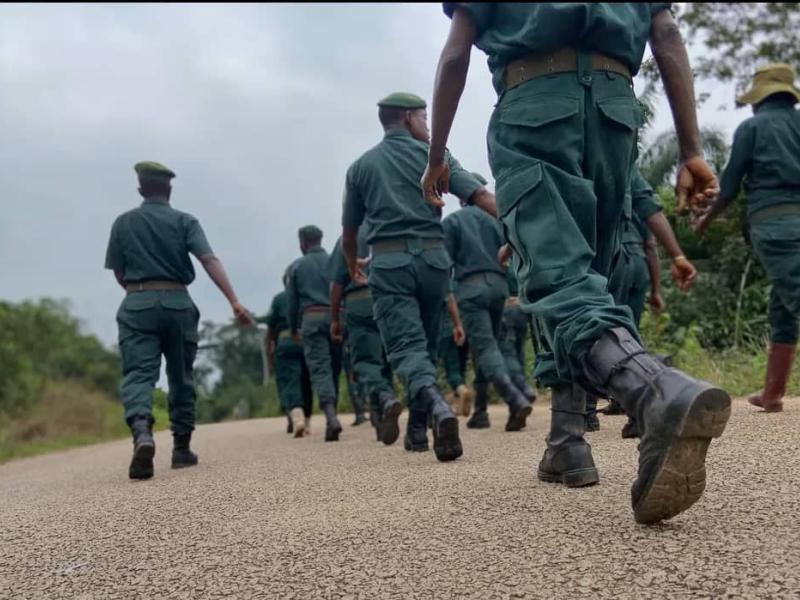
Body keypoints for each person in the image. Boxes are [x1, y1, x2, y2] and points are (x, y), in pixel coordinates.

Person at [422, 4, 731, 524]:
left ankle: (655, 392)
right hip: (615, 114)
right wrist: (691, 150)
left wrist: (437, 158)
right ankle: (567, 441)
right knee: (587, 280)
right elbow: (668, 34)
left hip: (533, 111)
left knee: (559, 278)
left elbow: (456, 54)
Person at [341, 92, 488, 462]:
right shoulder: (435, 157)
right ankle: (418, 434)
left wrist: (351, 263)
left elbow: (350, 231)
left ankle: (438, 408)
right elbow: (479, 195)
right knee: (424, 347)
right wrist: (520, 228)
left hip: (390, 264)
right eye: (425, 117)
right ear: (408, 118)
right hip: (434, 262)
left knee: (406, 348)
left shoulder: (361, 167)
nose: (428, 125)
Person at [105, 161, 253, 480]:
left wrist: (139, 292)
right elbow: (208, 259)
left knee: (139, 374)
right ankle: (182, 450)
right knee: (181, 376)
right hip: (177, 302)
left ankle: (142, 431)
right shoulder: (185, 220)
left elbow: (119, 272)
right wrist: (234, 301)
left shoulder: (123, 223)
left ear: (141, 189)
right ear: (169, 189)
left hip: (137, 301)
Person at [697, 63, 800, 413]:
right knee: (783, 304)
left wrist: (705, 221)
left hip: (775, 225)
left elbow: (728, 188)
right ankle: (772, 394)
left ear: (759, 99)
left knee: (795, 295)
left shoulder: (752, 127)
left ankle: (772, 393)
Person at [588, 165, 697, 436]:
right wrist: (658, 288)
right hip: (638, 264)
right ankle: (639, 404)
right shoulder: (629, 174)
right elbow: (651, 243)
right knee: (629, 334)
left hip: (607, 258)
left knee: (594, 330)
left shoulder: (589, 167)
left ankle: (586, 411)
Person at [443, 176, 533, 431]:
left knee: (485, 348)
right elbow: (513, 247)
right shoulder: (496, 220)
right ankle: (480, 411)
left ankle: (515, 399)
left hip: (471, 289)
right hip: (499, 288)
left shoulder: (453, 222)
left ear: (461, 197)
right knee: (488, 348)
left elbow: (445, 266)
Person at [329, 225, 400, 444]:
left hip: (358, 301)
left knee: (366, 362)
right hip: (389, 296)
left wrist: (335, 318)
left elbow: (337, 283)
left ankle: (385, 400)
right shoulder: (388, 227)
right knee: (387, 358)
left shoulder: (346, 238)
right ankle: (381, 417)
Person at [287, 225, 343, 441]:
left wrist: (293, 327)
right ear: (321, 239)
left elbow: (292, 302)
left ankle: (330, 417)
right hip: (337, 317)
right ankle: (334, 413)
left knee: (320, 369)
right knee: (335, 368)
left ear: (302, 242)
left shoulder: (297, 266)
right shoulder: (334, 260)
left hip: (311, 319)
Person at [266, 268, 314, 438]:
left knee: (289, 381)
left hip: (285, 343)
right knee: (307, 382)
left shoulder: (279, 299)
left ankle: (297, 416)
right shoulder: (306, 297)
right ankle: (307, 421)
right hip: (306, 342)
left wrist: (270, 353)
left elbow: (270, 329)